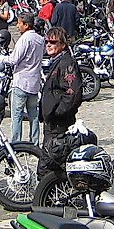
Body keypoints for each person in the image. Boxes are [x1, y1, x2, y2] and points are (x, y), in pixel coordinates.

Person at [0, 11, 46, 144]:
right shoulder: (40, 39)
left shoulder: (24, 39)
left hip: (21, 82)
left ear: (26, 25)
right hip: (34, 82)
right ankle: (35, 142)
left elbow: (13, 60)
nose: (17, 26)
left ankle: (16, 143)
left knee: (17, 115)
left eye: (19, 23)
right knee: (33, 115)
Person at [39, 27, 82, 177]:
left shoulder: (66, 63)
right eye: (46, 42)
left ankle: (46, 191)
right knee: (54, 164)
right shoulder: (57, 61)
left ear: (62, 44)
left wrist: (57, 112)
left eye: (52, 42)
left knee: (47, 166)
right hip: (52, 123)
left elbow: (73, 93)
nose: (48, 45)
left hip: (59, 124)